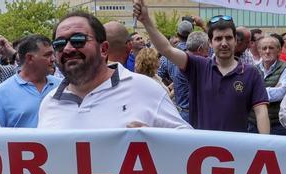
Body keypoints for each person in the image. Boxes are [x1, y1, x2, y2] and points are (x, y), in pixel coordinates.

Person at [136, 0, 270, 134]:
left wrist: (265, 146)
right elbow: (166, 50)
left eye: (228, 38)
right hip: (202, 149)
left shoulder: (251, 73)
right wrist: (146, 21)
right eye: (218, 39)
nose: (224, 43)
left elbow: (261, 112)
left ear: (235, 40)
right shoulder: (198, 66)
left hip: (237, 149)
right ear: (210, 43)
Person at [38, 11, 189, 129]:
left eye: (78, 40)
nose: (68, 49)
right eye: (59, 43)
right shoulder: (49, 103)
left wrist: (156, 141)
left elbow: (191, 148)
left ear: (103, 49)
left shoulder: (145, 89)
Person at [0, 35, 61, 128]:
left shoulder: (62, 86)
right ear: (30, 58)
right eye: (47, 55)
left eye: (53, 54)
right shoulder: (0, 94)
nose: (53, 59)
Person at [157, 32, 208, 122]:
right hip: (190, 116)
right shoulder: (193, 65)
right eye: (207, 49)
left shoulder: (180, 60)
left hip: (181, 111)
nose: (207, 54)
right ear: (200, 49)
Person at [252, 34, 286, 135]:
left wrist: (255, 93)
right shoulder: (253, 69)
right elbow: (246, 93)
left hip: (276, 125)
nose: (267, 51)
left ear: (279, 51)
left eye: (271, 48)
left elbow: (281, 93)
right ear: (259, 51)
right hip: (253, 123)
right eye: (264, 48)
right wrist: (273, 89)